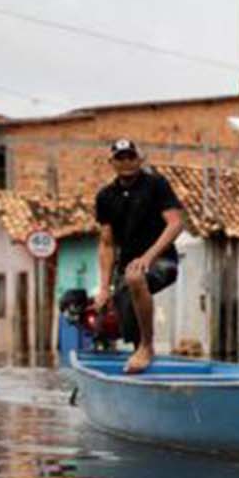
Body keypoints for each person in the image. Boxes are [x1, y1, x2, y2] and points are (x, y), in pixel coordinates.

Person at [92, 138, 185, 375]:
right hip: (127, 266)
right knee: (121, 296)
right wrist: (103, 288)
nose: (126, 162)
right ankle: (137, 354)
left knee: (135, 277)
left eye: (131, 157)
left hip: (162, 261)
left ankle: (147, 347)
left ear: (139, 159)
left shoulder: (156, 184)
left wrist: (149, 257)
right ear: (111, 162)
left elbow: (175, 223)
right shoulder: (105, 196)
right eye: (120, 158)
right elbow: (107, 243)